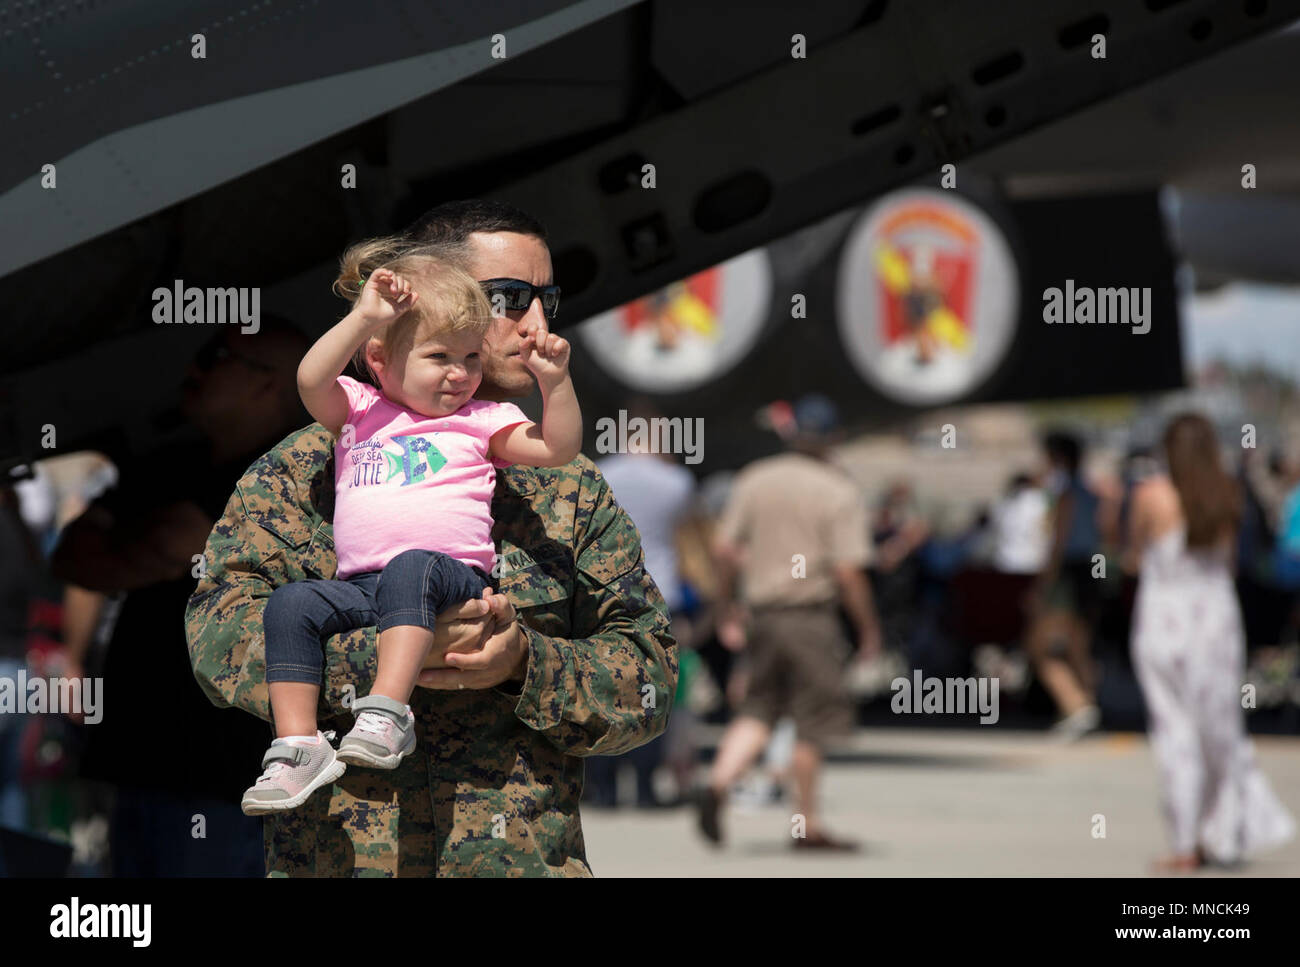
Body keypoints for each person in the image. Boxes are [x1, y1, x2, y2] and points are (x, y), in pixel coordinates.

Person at [184, 200, 676, 876]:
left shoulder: (569, 488)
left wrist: (524, 663)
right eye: (506, 298)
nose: (534, 324)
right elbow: (216, 635)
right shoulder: (309, 467)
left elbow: (648, 679)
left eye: (546, 300)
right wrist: (383, 658)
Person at [241, 243, 581, 814]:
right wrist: (365, 316)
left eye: (472, 358)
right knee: (291, 605)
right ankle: (297, 745)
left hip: (447, 579)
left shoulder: (482, 421)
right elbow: (309, 378)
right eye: (439, 356)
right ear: (379, 359)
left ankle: (386, 714)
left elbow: (557, 447)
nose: (460, 374)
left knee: (411, 568)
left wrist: (557, 383)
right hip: (363, 587)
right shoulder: (359, 410)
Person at [50, 318, 313, 875]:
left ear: (267, 384)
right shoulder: (168, 465)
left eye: (216, 357)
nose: (192, 370)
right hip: (148, 767)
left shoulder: (290, 474)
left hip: (227, 780)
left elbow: (149, 552)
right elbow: (76, 558)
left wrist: (117, 531)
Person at [697, 394, 881, 851]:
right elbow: (848, 572)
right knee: (811, 720)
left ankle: (718, 783)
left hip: (761, 614)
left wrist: (725, 606)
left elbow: (723, 551)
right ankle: (807, 826)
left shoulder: (756, 480)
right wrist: (869, 628)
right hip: (810, 618)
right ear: (833, 438)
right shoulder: (838, 490)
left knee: (758, 708)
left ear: (791, 433)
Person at [1125, 412, 1294, 871]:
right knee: (1220, 731)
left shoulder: (1150, 495)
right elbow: (1234, 561)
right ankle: (1228, 831)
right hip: (1215, 620)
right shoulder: (1228, 494)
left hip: (1163, 619)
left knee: (1175, 733)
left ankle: (1185, 842)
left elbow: (1132, 556)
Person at [589, 406, 697, 807]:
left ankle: (605, 788)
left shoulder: (599, 473)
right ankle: (648, 787)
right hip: (661, 590)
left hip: (607, 589)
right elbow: (688, 535)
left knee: (606, 689)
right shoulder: (676, 481)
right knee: (652, 691)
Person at [1023, 430, 1106, 740]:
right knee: (1078, 645)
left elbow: (1057, 542)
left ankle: (1076, 705)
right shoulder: (1090, 489)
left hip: (1069, 571)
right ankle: (1087, 705)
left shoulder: (1065, 491)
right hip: (1090, 569)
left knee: (1039, 645)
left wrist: (1043, 584)